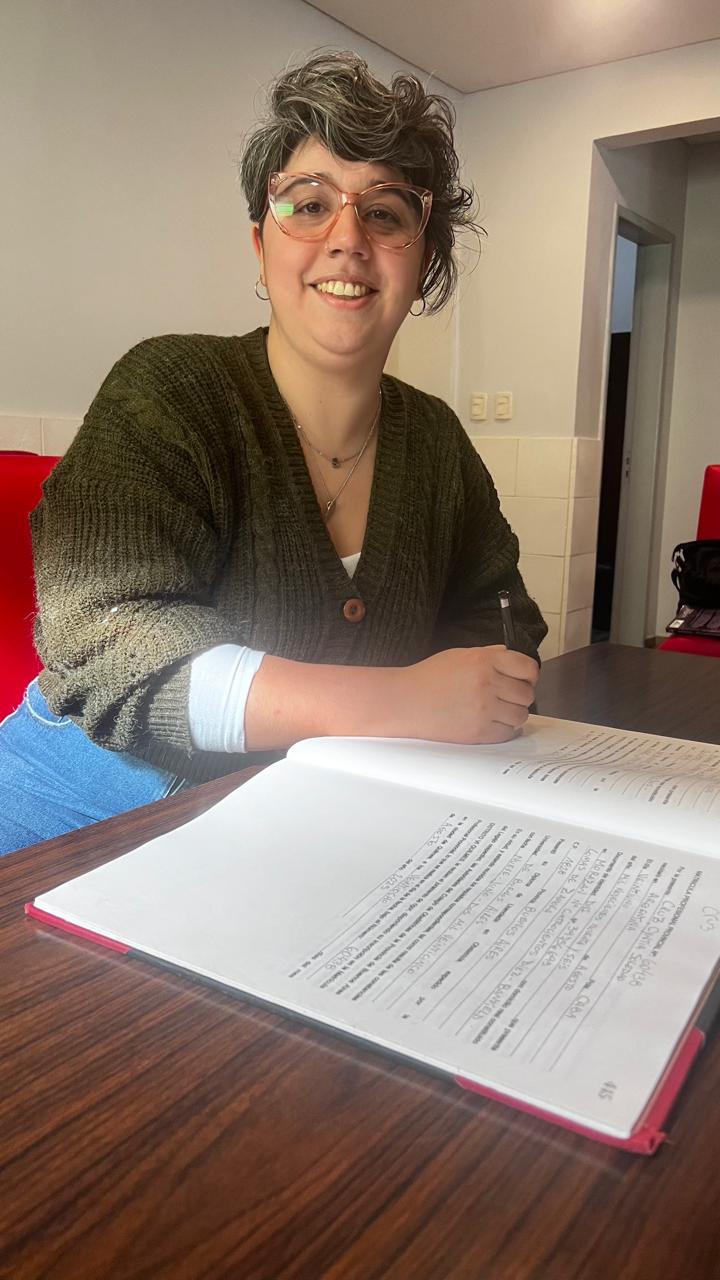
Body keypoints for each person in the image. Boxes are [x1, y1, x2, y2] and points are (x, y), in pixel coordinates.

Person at [0, 50, 546, 856]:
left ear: (424, 259)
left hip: (282, 823)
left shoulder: (437, 443)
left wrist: (477, 683)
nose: (347, 239)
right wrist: (400, 700)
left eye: (385, 213)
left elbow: (501, 620)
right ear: (261, 245)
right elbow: (110, 644)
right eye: (310, 204)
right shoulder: (169, 388)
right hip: (68, 817)